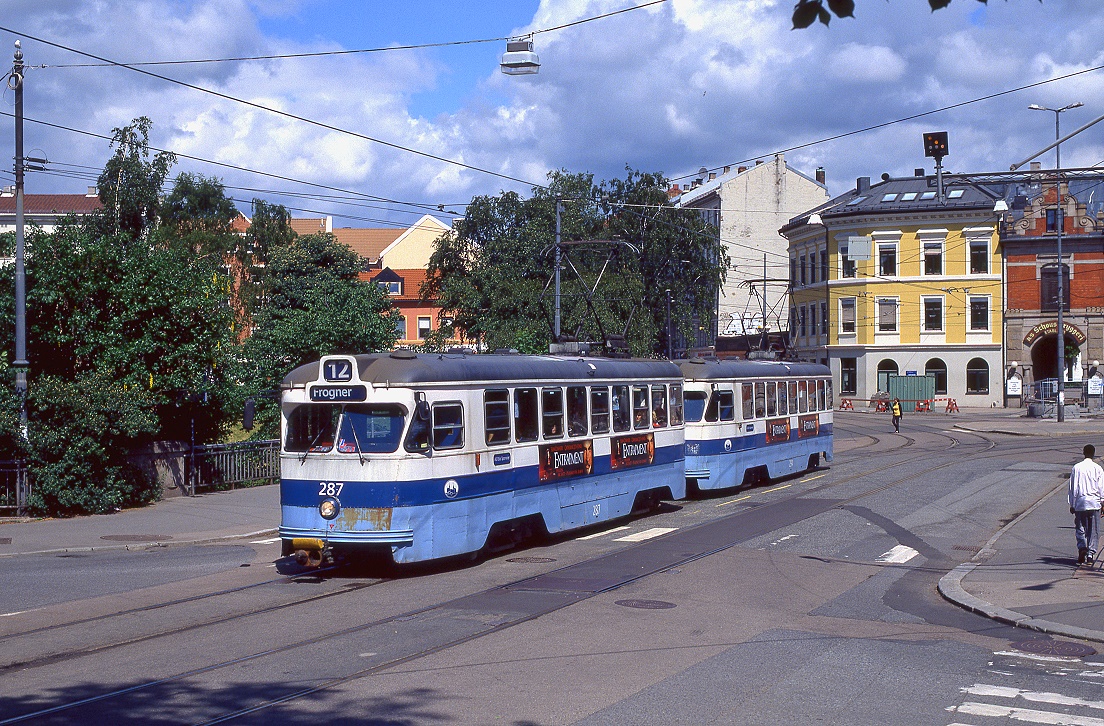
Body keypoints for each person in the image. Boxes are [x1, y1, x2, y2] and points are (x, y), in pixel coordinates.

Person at [1069, 444, 1104, 566]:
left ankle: (1082, 547)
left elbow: (1073, 487)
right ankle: (1090, 554)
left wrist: (1072, 504)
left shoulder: (1076, 468)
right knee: (1093, 530)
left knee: (1080, 528)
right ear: (1094, 454)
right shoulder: (1098, 468)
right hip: (1094, 503)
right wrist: (1103, 501)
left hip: (1080, 503)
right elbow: (1101, 488)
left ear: (1083, 453)